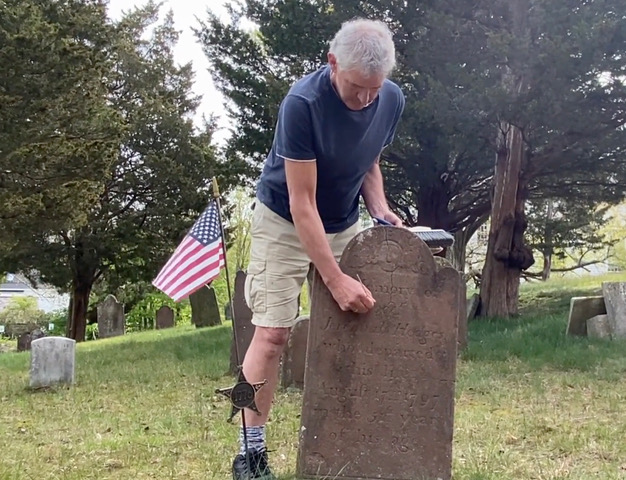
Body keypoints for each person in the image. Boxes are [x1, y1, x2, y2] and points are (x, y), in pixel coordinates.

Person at [232, 17, 406, 480]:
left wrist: (380, 208)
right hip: (285, 220)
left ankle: (349, 437)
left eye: (375, 88)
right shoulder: (302, 104)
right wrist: (334, 277)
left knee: (357, 321)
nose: (366, 98)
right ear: (333, 64)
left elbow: (369, 156)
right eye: (356, 88)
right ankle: (249, 453)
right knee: (271, 335)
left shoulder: (389, 97)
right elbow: (302, 202)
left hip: (344, 219)